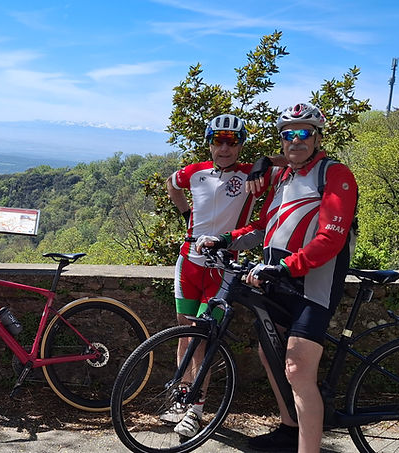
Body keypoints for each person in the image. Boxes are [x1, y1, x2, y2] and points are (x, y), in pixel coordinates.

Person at [198, 102, 358, 452]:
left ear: (317, 138)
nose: (295, 140)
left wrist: (286, 267)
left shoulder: (335, 174)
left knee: (298, 369)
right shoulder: (285, 177)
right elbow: (262, 227)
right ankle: (289, 429)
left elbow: (330, 238)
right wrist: (224, 239)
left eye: (303, 133)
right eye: (288, 135)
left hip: (313, 282)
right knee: (268, 352)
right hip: (279, 279)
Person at [164, 113, 268, 437]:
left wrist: (264, 163)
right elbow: (171, 184)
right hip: (188, 262)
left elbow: (288, 167)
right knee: (185, 334)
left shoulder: (250, 176)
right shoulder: (195, 171)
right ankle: (181, 398)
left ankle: (195, 410)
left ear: (240, 145)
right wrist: (186, 214)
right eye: (218, 140)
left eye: (232, 141)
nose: (224, 148)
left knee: (202, 337)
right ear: (209, 142)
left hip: (221, 267)